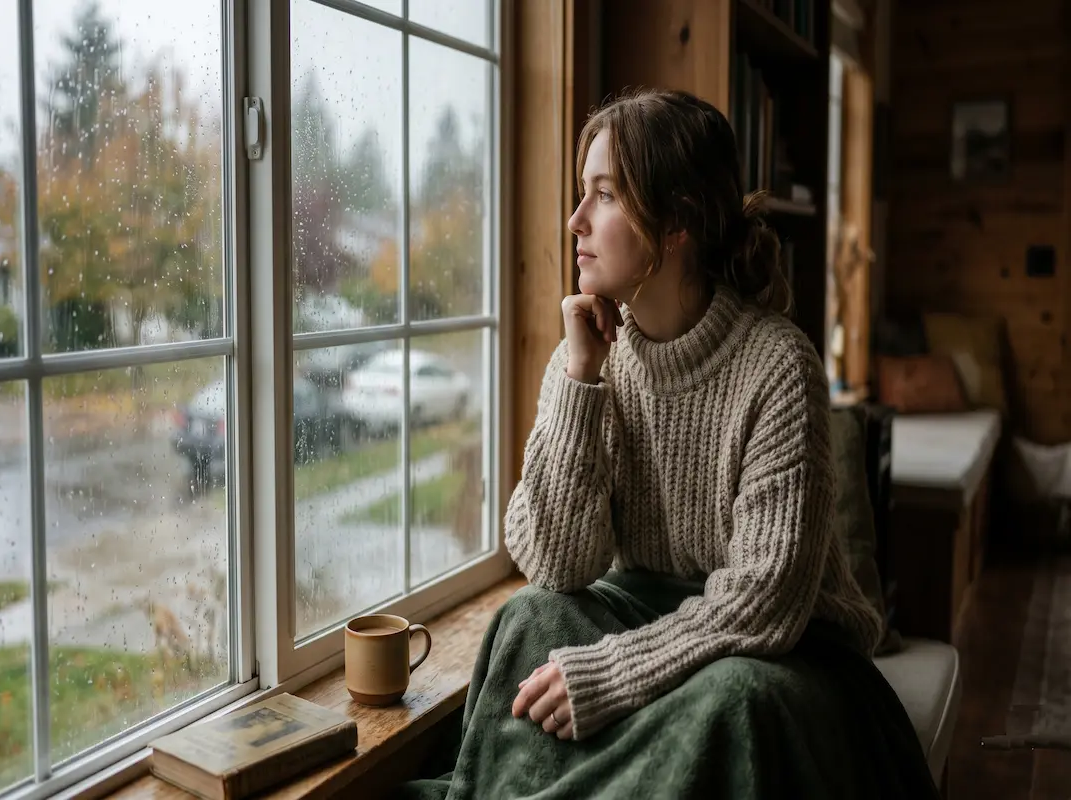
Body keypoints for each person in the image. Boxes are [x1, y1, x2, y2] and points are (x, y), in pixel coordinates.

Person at [399, 89, 937, 800]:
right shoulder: (586, 357)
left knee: (732, 697)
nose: (575, 220)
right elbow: (556, 565)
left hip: (787, 654)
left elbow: (765, 602)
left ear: (677, 222)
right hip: (647, 613)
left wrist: (613, 672)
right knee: (527, 617)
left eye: (603, 196)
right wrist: (583, 379)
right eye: (582, 194)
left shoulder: (778, 364)